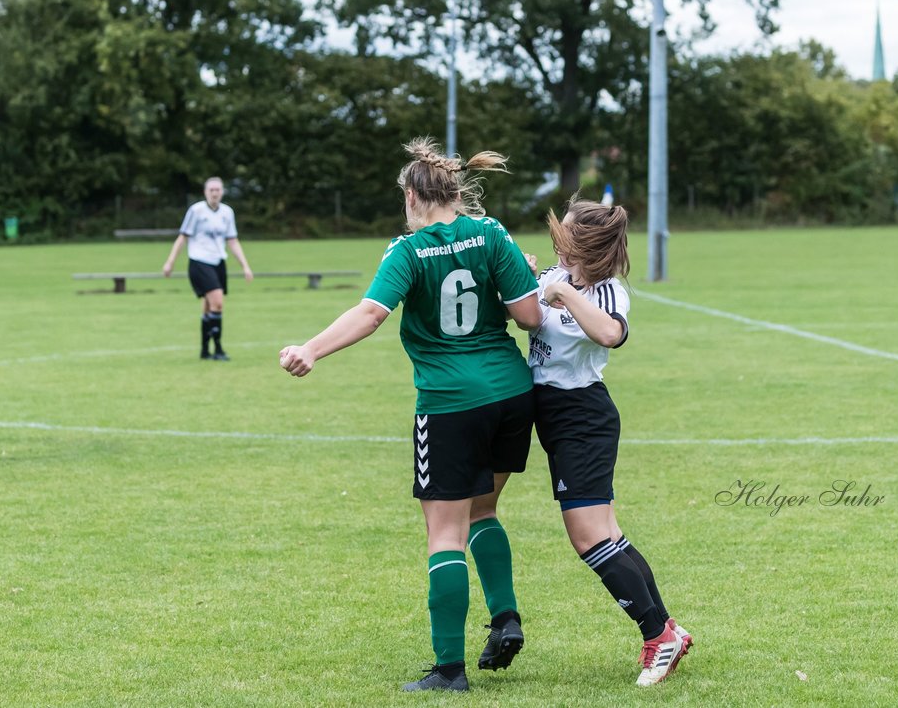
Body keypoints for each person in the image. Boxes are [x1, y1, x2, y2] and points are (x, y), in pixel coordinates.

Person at [279, 139, 542, 693]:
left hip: (450, 402)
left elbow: (371, 312)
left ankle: (449, 670)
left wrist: (311, 349)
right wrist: (518, 276)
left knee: (444, 530)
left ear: (411, 196)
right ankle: (505, 618)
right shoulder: (493, 233)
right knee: (484, 509)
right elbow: (529, 316)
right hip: (513, 394)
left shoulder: (406, 250)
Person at [525, 197, 693, 686]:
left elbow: (609, 335)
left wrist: (564, 293)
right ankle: (668, 629)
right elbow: (525, 321)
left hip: (584, 416)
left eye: (566, 230)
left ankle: (655, 636)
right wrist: (523, 278)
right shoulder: (552, 277)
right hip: (553, 416)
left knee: (589, 537)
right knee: (608, 534)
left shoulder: (607, 290)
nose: (558, 235)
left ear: (582, 241)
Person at [163, 177, 253, 360]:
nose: (214, 193)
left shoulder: (227, 212)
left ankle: (205, 350)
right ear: (205, 192)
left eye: (218, 190)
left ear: (222, 192)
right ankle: (218, 349)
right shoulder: (196, 211)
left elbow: (232, 240)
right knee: (218, 303)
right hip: (199, 262)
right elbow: (183, 237)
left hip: (218, 262)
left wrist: (245, 265)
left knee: (208, 306)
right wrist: (170, 262)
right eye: (211, 189)